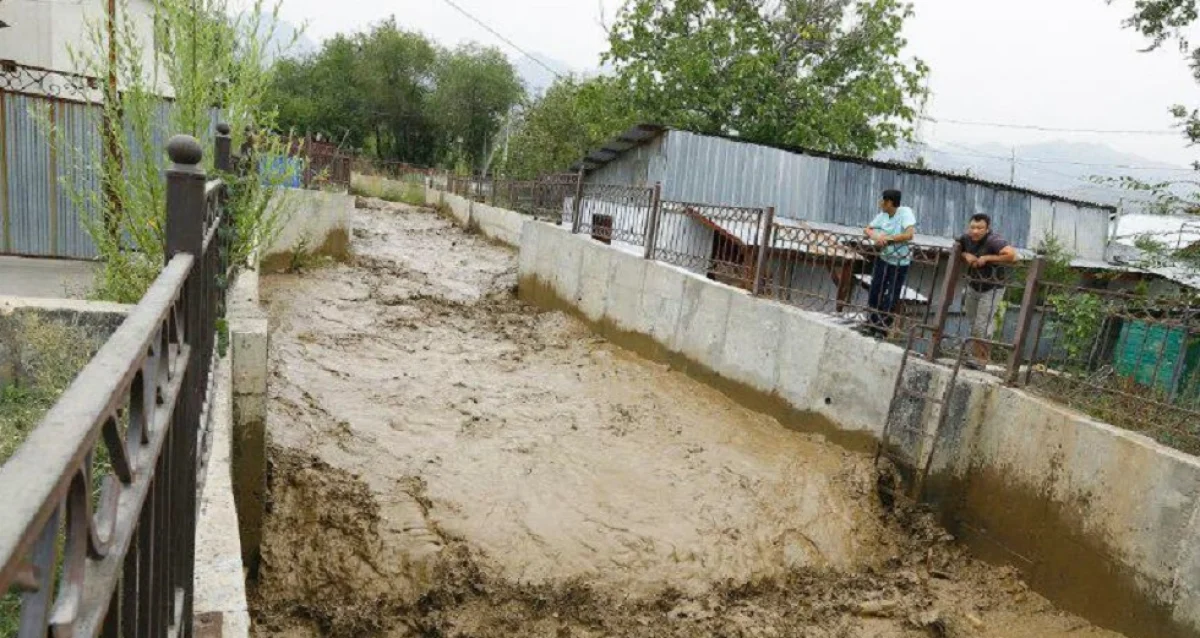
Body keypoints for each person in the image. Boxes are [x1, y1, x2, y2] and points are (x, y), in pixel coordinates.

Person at [957, 213, 1018, 368]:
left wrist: (988, 258)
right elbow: (956, 248)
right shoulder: (966, 238)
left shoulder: (994, 240)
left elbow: (1012, 256)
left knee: (981, 325)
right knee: (973, 322)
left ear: (987, 229)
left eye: (980, 228)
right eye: (972, 227)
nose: (975, 231)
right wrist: (966, 255)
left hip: (992, 288)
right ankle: (977, 356)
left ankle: (982, 360)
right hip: (974, 284)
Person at [862, 189, 917, 336]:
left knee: (891, 295)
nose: (880, 203)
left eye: (883, 201)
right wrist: (876, 237)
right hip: (884, 258)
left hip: (900, 262)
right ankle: (872, 323)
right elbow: (867, 229)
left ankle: (883, 327)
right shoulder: (882, 215)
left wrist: (887, 239)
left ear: (890, 202)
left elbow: (909, 234)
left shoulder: (905, 212)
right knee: (875, 291)